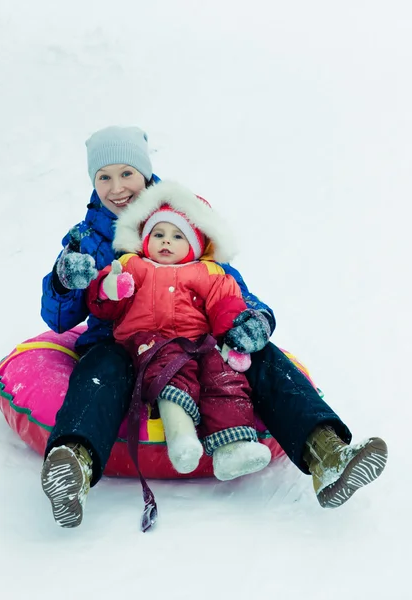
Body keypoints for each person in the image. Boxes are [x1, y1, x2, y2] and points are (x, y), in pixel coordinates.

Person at [40, 125, 388, 529]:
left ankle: (327, 453)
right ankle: (72, 468)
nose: (117, 187)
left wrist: (254, 319)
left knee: (259, 357)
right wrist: (65, 279)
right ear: (93, 181)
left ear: (145, 173)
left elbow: (225, 285)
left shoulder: (176, 215)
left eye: (127, 173)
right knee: (100, 372)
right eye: (104, 177)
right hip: (119, 341)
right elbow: (60, 319)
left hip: (192, 342)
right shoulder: (86, 238)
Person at [85, 180, 273, 486]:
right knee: (171, 369)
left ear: (195, 246)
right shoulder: (133, 265)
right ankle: (181, 437)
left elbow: (226, 304)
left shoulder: (207, 272)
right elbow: (101, 303)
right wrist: (109, 289)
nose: (166, 242)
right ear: (145, 239)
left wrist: (233, 338)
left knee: (223, 374)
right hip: (149, 343)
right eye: (158, 234)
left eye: (177, 236)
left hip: (199, 343)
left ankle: (232, 448)